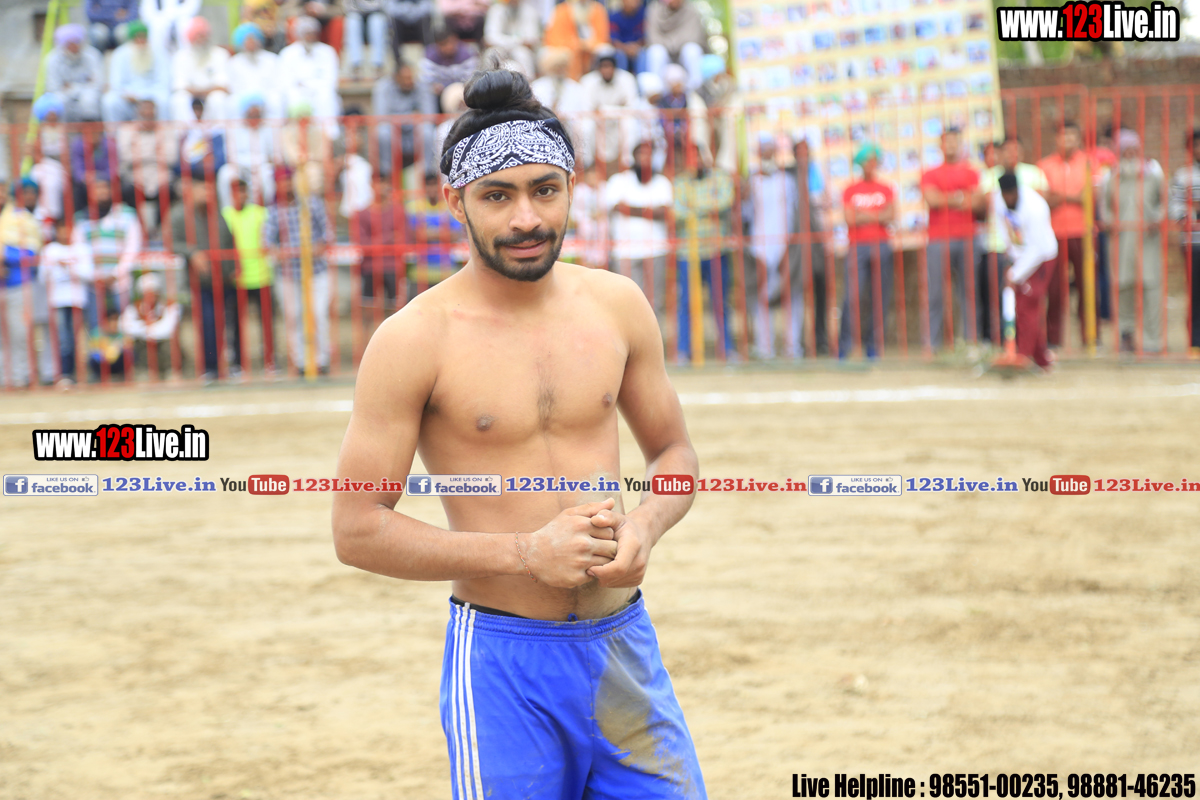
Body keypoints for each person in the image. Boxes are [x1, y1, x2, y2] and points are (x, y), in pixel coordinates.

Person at [330, 67, 706, 799]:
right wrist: (526, 553)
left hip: (624, 647)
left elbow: (674, 452)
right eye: (497, 196)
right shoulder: (414, 339)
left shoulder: (618, 305)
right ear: (456, 202)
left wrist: (647, 523)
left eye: (544, 190)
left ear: (571, 187)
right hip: (503, 665)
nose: (526, 219)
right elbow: (356, 528)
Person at [975, 134, 1047, 345]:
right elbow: (983, 205)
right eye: (1007, 150)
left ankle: (1027, 337)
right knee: (996, 295)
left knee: (1028, 295)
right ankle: (999, 338)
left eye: (1016, 149)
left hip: (1029, 249)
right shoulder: (989, 176)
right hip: (997, 245)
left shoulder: (1033, 173)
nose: (1012, 154)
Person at [264, 165, 334, 374]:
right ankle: (301, 362)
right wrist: (279, 252)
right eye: (281, 181)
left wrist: (318, 247)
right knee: (293, 317)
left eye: (288, 180)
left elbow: (328, 233)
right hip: (288, 274)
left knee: (318, 314)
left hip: (316, 271)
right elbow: (267, 242)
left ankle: (321, 360)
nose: (286, 185)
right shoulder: (273, 211)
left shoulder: (312, 204)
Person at [1101, 129, 1166, 355]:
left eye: (1133, 149)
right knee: (1123, 287)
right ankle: (1126, 336)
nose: (1130, 153)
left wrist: (1156, 219)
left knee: (1151, 288)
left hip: (1148, 240)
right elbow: (1105, 207)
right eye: (1125, 149)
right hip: (1121, 242)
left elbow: (1163, 202)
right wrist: (1110, 223)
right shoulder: (1111, 176)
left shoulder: (1153, 173)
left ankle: (1152, 341)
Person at [672, 140, 735, 363]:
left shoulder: (720, 177)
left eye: (699, 156)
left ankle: (727, 349)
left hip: (717, 249)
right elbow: (677, 211)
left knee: (721, 302)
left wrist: (694, 207)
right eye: (691, 158)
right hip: (688, 252)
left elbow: (726, 201)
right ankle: (684, 350)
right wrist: (709, 207)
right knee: (686, 303)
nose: (696, 161)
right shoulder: (680, 181)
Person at [920, 126, 979, 352]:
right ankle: (932, 344)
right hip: (938, 239)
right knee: (934, 293)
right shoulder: (930, 173)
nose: (951, 145)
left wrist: (946, 198)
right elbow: (932, 201)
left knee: (969, 293)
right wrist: (961, 197)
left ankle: (970, 342)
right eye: (947, 141)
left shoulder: (971, 172)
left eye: (955, 141)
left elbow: (977, 202)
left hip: (968, 237)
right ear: (941, 145)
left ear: (961, 144)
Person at [172, 176, 237, 381]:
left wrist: (233, 267)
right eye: (203, 190)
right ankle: (210, 366)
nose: (208, 194)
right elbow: (170, 241)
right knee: (207, 324)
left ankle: (230, 365)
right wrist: (192, 252)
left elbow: (229, 241)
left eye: (210, 190)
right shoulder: (178, 215)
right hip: (199, 282)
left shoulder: (218, 214)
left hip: (224, 279)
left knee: (226, 324)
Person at [994, 171, 1058, 370]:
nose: (1008, 199)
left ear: (1018, 190)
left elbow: (1037, 249)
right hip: (1020, 257)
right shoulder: (998, 201)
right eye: (1005, 195)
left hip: (1042, 257)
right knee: (1021, 304)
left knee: (1027, 305)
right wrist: (1012, 261)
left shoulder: (1035, 206)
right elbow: (1005, 232)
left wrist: (1015, 274)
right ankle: (1041, 359)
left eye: (1011, 194)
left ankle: (1023, 355)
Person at [838, 143, 894, 358]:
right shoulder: (850, 189)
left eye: (874, 160)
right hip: (857, 246)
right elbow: (849, 218)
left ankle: (873, 345)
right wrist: (877, 215)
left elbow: (891, 215)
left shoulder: (886, 188)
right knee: (852, 296)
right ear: (860, 163)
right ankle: (845, 345)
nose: (871, 164)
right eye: (867, 160)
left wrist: (863, 214)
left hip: (882, 245)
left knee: (880, 297)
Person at [1038, 120, 1090, 350]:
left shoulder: (1088, 163)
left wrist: (1060, 196)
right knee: (1055, 289)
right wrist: (1074, 196)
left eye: (1072, 135)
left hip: (1083, 232)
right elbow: (1044, 199)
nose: (1067, 140)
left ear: (1078, 138)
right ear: (1056, 139)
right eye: (1063, 135)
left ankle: (1090, 336)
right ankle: (1054, 338)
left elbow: (1091, 197)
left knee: (1087, 286)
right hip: (1053, 233)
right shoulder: (1044, 165)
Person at [605, 139, 672, 310]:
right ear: (633, 157)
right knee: (627, 302)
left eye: (648, 155)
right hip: (625, 251)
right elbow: (616, 207)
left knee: (654, 302)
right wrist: (650, 211)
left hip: (656, 249)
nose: (644, 158)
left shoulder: (662, 182)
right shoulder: (618, 180)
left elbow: (664, 213)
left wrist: (629, 208)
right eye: (641, 154)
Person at [747, 132, 796, 360]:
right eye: (763, 152)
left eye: (770, 151)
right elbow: (746, 215)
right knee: (761, 297)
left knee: (791, 296)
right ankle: (765, 348)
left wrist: (791, 248)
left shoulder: (787, 181)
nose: (767, 155)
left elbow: (794, 214)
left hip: (786, 245)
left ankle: (793, 348)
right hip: (759, 248)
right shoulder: (752, 181)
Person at [223, 174, 275, 374]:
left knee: (267, 323)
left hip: (262, 276)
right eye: (236, 192)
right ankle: (237, 363)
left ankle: (270, 361)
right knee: (235, 325)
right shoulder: (225, 215)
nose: (240, 195)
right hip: (236, 279)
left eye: (243, 191)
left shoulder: (260, 213)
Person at [73, 175, 142, 316]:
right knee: (95, 326)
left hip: (121, 283)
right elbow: (78, 250)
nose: (102, 191)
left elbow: (133, 247)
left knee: (125, 323)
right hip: (92, 284)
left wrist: (116, 274)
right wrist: (94, 276)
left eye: (106, 187)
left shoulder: (127, 215)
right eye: (97, 188)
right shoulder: (81, 218)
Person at [39, 217, 95, 387]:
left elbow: (89, 274)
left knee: (79, 339)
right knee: (63, 339)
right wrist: (57, 267)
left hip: (78, 300)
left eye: (68, 229)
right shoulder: (50, 250)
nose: (65, 233)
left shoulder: (83, 249)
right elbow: (42, 277)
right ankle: (65, 374)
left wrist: (68, 268)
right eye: (61, 229)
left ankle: (81, 373)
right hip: (58, 300)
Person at [788, 133, 830, 356]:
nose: (804, 155)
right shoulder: (789, 175)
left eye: (807, 151)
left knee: (820, 290)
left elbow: (826, 200)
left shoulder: (817, 173)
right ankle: (798, 342)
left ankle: (820, 338)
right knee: (797, 290)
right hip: (797, 243)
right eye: (800, 151)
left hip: (817, 240)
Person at [0, 180, 43, 388]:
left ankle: (20, 377)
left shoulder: (23, 218)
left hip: (17, 284)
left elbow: (33, 251)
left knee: (19, 333)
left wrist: (4, 255)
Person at [354, 174, 408, 329]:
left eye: (384, 182)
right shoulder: (362, 213)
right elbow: (362, 244)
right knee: (368, 312)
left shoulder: (398, 211)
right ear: (371, 185)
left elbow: (404, 239)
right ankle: (367, 344)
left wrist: (375, 242)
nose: (381, 187)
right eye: (378, 183)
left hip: (392, 266)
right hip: (370, 267)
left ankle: (394, 342)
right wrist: (389, 238)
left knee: (395, 314)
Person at [579, 46, 640, 173]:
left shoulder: (627, 79)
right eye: (603, 66)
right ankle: (587, 164)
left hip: (619, 120)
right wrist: (617, 108)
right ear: (598, 68)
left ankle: (627, 163)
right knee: (585, 126)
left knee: (630, 124)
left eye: (609, 66)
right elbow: (587, 109)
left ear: (614, 67)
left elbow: (631, 108)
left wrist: (603, 109)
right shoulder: (588, 81)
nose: (606, 70)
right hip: (598, 121)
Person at [279, 16, 343, 131]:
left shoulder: (327, 51)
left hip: (320, 91)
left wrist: (310, 86)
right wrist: (303, 88)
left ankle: (329, 136)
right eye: (306, 33)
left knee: (326, 97)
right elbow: (286, 81)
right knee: (292, 98)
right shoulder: (287, 53)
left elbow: (331, 80)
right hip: (297, 92)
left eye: (312, 33)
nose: (310, 36)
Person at [373, 62, 438, 175]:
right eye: (405, 78)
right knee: (383, 132)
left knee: (427, 130)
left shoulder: (421, 86)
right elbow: (381, 117)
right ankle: (387, 174)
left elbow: (429, 116)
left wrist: (399, 117)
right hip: (394, 130)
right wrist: (411, 116)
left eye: (410, 78)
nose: (409, 82)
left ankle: (427, 174)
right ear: (396, 77)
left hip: (413, 131)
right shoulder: (383, 87)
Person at [1169, 127, 1200, 357]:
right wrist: (1190, 213)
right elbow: (1176, 207)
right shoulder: (1183, 175)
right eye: (1196, 145)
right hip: (1193, 243)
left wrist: (1194, 206)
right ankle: (1195, 340)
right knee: (1195, 292)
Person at [103, 20, 170, 122]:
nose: (141, 41)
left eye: (143, 37)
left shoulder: (158, 52)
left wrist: (147, 97)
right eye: (137, 37)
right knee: (110, 101)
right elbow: (116, 83)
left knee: (165, 100)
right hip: (129, 99)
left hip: (153, 96)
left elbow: (163, 81)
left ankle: (164, 130)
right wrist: (130, 95)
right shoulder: (120, 54)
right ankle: (114, 132)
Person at [406, 171, 465, 287]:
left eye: (434, 184)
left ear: (439, 186)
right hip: (421, 273)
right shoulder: (413, 207)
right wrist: (443, 233)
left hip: (447, 272)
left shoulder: (450, 206)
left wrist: (427, 233)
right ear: (423, 187)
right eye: (428, 185)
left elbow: (455, 235)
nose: (431, 189)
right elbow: (415, 235)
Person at [118, 271, 181, 378]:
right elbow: (124, 326)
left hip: (162, 342)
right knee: (130, 342)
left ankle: (170, 370)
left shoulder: (169, 306)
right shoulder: (134, 308)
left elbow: (167, 329)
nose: (151, 297)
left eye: (153, 293)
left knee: (170, 342)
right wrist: (147, 328)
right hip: (143, 343)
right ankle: (143, 370)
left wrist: (147, 328)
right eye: (147, 293)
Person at [171, 16, 231, 122]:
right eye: (197, 36)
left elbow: (223, 84)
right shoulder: (181, 56)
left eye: (204, 35)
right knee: (179, 99)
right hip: (191, 93)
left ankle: (218, 130)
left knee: (218, 99)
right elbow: (179, 85)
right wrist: (197, 92)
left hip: (212, 92)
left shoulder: (220, 54)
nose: (201, 40)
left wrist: (204, 92)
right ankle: (188, 130)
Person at [44, 24, 106, 122]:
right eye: (69, 43)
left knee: (89, 99)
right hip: (63, 95)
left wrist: (72, 87)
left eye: (76, 42)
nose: (73, 47)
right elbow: (54, 87)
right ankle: (63, 131)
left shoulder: (92, 55)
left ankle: (89, 130)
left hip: (88, 93)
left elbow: (98, 83)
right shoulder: (52, 59)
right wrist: (83, 85)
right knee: (58, 102)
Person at [228, 23, 284, 122]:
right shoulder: (234, 62)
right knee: (232, 103)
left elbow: (278, 84)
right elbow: (233, 87)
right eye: (247, 40)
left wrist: (260, 101)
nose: (251, 43)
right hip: (242, 99)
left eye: (253, 39)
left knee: (276, 100)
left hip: (266, 98)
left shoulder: (272, 59)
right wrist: (249, 102)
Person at [645, 0, 706, 90]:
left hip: (682, 53)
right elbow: (652, 37)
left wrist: (673, 43)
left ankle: (695, 89)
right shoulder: (654, 10)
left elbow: (693, 37)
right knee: (655, 51)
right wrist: (671, 44)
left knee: (692, 49)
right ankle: (656, 91)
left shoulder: (691, 11)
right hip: (665, 52)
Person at [544, 0, 610, 80]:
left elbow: (602, 37)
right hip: (569, 47)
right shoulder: (562, 10)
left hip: (591, 47)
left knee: (606, 51)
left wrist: (587, 45)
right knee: (561, 55)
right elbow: (556, 38)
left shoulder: (597, 9)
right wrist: (576, 44)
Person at [483, 0, 541, 79]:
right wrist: (518, 41)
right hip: (500, 48)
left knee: (522, 54)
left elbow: (531, 39)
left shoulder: (530, 11)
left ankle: (528, 83)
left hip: (521, 50)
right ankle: (488, 83)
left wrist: (505, 41)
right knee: (492, 54)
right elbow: (490, 38)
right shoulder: (496, 10)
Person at [421, 27, 479, 102]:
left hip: (463, 93)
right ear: (437, 44)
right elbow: (426, 81)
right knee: (426, 92)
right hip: (439, 95)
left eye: (451, 42)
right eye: (443, 44)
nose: (448, 47)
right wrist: (434, 87)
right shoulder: (429, 56)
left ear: (456, 39)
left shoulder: (468, 52)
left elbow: (473, 79)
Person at [343, 0, 389, 79]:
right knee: (352, 20)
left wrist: (365, 6)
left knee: (377, 21)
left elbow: (383, 5)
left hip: (376, 14)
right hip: (356, 14)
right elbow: (347, 6)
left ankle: (377, 65)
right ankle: (356, 65)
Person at [608, 0, 647, 75]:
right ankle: (622, 79)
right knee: (619, 55)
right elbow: (613, 39)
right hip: (621, 49)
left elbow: (644, 37)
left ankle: (641, 79)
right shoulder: (614, 17)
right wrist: (626, 48)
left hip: (637, 48)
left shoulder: (643, 15)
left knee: (643, 54)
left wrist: (636, 46)